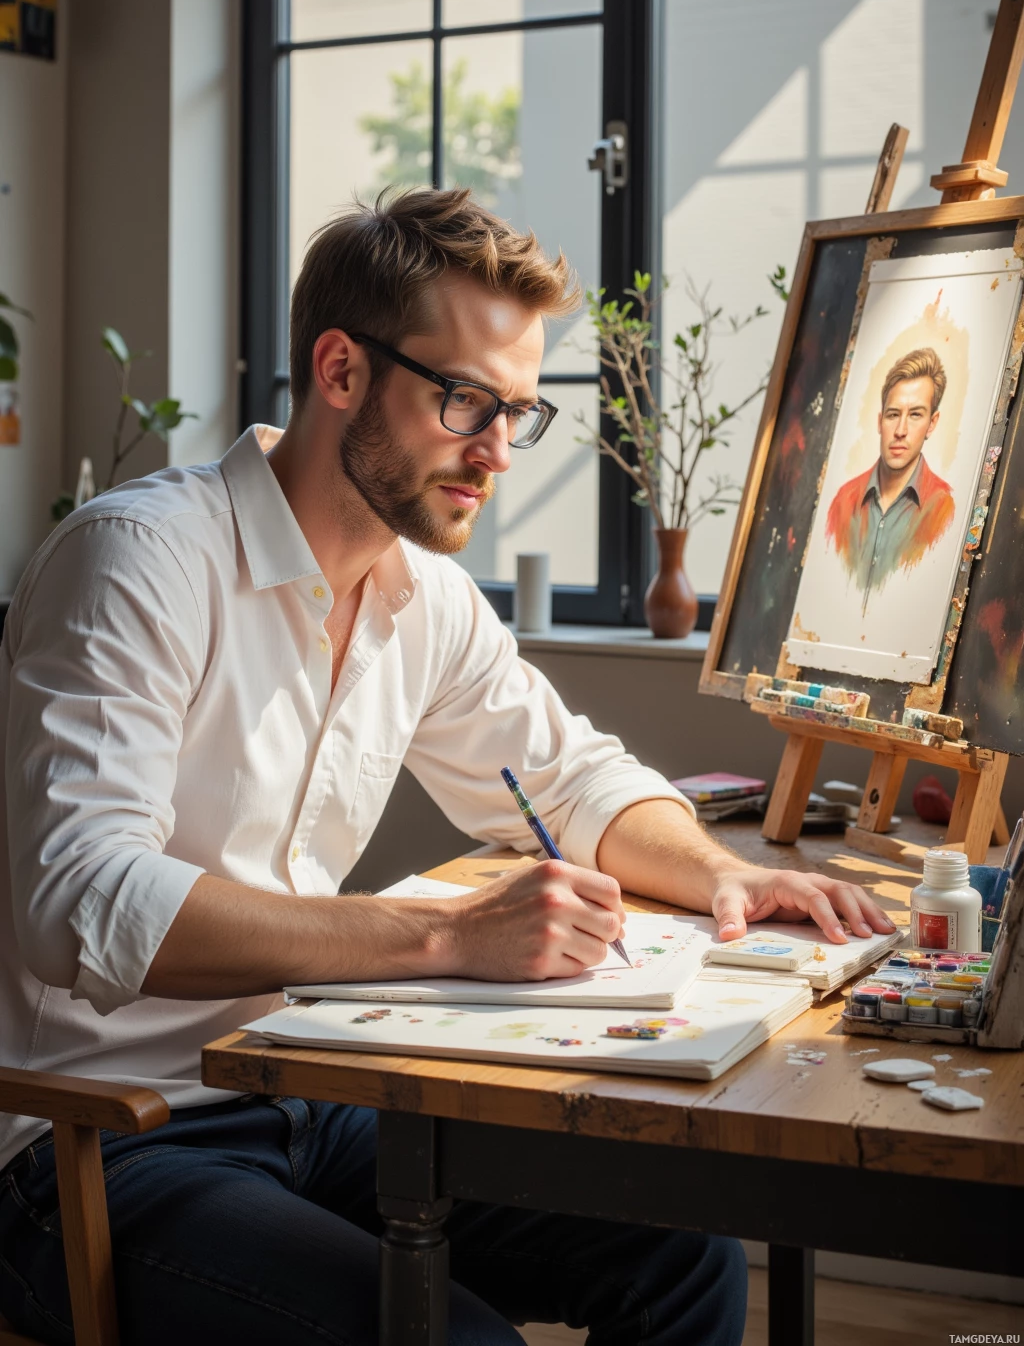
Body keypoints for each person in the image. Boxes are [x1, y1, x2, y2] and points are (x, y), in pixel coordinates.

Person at [0, 187, 893, 1345]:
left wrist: (715, 874)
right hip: (100, 1140)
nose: (498, 453)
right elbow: (79, 904)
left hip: (304, 1092)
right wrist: (440, 939)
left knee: (683, 1249)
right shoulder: (137, 563)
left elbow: (572, 779)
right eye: (467, 399)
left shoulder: (427, 600)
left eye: (519, 413)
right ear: (339, 371)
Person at [825, 346, 955, 611]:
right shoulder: (842, 500)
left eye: (916, 415)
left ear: (932, 423)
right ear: (879, 420)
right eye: (893, 414)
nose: (900, 430)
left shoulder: (943, 508)